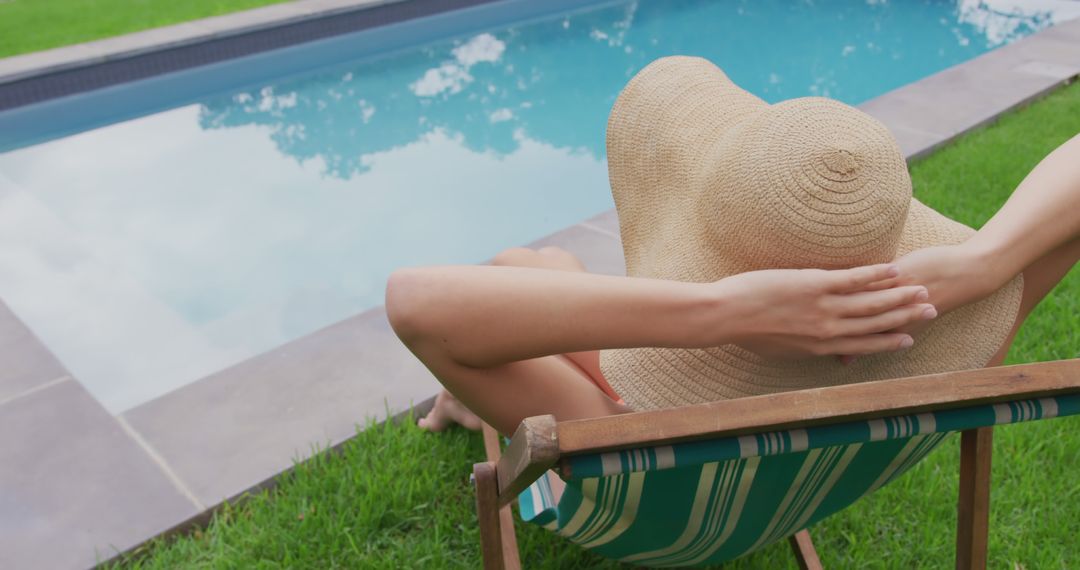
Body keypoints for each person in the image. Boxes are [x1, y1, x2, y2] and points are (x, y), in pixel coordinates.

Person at [386, 58, 1079, 437]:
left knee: (523, 266)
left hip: (658, 489)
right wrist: (984, 260)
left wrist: (722, 310)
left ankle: (462, 399)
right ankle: (465, 395)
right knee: (546, 270)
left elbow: (417, 302)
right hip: (864, 409)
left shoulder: (627, 432)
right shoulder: (966, 342)